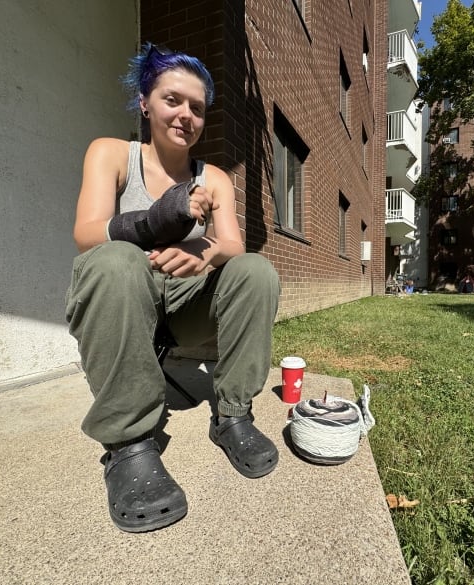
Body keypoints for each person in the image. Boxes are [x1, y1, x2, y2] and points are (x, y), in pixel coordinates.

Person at [64, 43, 281, 533]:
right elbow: (86, 233)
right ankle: (130, 444)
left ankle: (233, 414)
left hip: (184, 305)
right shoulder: (111, 153)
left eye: (198, 108)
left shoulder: (216, 178)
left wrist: (201, 253)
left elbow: (232, 244)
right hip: (124, 294)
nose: (186, 114)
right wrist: (163, 219)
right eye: (172, 100)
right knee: (115, 258)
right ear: (145, 102)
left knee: (255, 270)